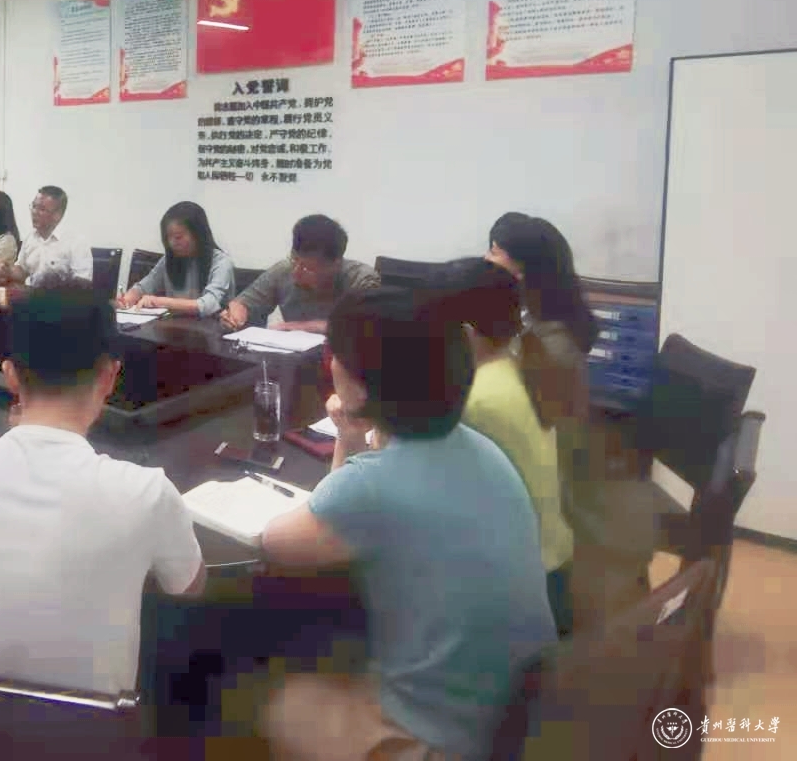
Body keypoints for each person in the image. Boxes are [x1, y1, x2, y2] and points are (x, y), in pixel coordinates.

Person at [260, 286, 555, 758]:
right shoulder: (483, 447)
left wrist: (347, 439)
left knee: (282, 703)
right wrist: (354, 434)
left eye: (336, 356)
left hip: (446, 742)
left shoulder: (369, 486)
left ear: (361, 385)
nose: (331, 364)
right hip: (527, 712)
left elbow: (276, 544)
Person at [0, 286, 205, 694]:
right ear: (110, 376)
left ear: (10, 374)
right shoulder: (145, 492)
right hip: (92, 729)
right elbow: (189, 585)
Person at [488, 216, 655, 632]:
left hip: (560, 482)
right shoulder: (542, 320)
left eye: (494, 252)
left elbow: (526, 422)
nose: (486, 259)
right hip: (559, 457)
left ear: (522, 270)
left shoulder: (552, 344)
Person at [447, 257, 574, 635]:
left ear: (465, 333)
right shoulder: (520, 368)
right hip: (553, 569)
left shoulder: (477, 402)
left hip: (519, 596)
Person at [220, 215, 378, 333]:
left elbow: (360, 326)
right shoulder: (284, 269)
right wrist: (236, 315)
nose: (296, 273)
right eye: (294, 260)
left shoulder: (361, 279)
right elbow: (243, 302)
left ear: (335, 264)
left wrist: (297, 327)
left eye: (307, 269)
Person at [116, 201, 235, 318]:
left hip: (210, 328)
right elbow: (143, 287)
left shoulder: (221, 262)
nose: (172, 243)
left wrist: (158, 301)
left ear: (198, 234)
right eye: (168, 238)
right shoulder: (169, 260)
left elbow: (209, 304)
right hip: (173, 327)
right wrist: (127, 299)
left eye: (178, 237)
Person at [0, 185, 92, 289]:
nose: (34, 212)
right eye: (34, 206)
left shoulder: (76, 242)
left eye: (41, 209)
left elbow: (83, 283)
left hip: (61, 297)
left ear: (57, 215)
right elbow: (22, 270)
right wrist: (8, 271)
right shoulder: (30, 238)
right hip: (31, 294)